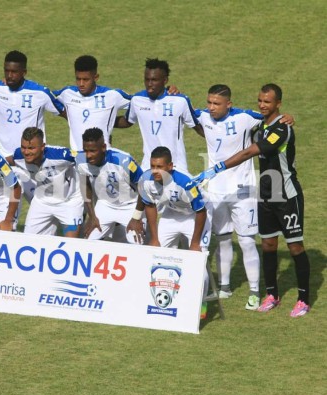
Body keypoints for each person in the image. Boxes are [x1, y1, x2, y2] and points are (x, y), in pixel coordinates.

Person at [194, 84, 310, 317]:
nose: (262, 105)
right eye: (260, 100)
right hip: (265, 194)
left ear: (278, 104)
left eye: (267, 102)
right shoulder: (259, 127)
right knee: (268, 244)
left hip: (286, 194)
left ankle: (303, 299)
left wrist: (218, 167)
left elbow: (251, 151)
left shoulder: (281, 129)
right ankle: (272, 295)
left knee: (295, 247)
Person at [195, 84, 263, 310]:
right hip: (216, 190)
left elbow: (270, 117)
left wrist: (286, 117)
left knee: (246, 241)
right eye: (209, 102)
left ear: (229, 104)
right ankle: (225, 286)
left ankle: (254, 291)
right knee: (223, 238)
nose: (211, 108)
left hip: (243, 190)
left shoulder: (246, 117)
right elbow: (184, 113)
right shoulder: (203, 116)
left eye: (216, 104)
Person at [127, 146, 211, 318]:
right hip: (172, 214)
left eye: (160, 167)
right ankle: (163, 297)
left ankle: (202, 302)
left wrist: (194, 243)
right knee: (157, 256)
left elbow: (201, 211)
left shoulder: (184, 182)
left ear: (170, 166)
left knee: (198, 260)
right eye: (152, 166)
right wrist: (154, 238)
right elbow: (149, 205)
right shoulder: (146, 180)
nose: (155, 171)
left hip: (195, 217)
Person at [115, 58, 203, 173]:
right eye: (147, 80)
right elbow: (127, 121)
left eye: (154, 80)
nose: (149, 84)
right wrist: (102, 121)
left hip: (176, 166)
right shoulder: (137, 100)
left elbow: (197, 127)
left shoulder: (180, 101)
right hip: (149, 166)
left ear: (165, 80)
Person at [0, 50, 65, 157]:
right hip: (5, 156)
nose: (9, 75)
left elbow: (66, 113)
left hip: (32, 157)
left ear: (24, 72)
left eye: (14, 72)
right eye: (6, 71)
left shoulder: (40, 93)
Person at [10, 127, 83, 238]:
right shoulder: (18, 156)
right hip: (42, 201)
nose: (26, 152)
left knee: (71, 244)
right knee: (29, 241)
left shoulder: (61, 155)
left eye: (31, 148)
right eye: (23, 147)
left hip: (70, 201)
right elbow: (3, 163)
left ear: (42, 147)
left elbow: (86, 157)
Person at [75, 127, 143, 242]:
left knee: (136, 242)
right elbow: (85, 185)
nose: (88, 155)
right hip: (105, 204)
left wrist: (136, 217)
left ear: (103, 148)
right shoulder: (80, 160)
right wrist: (92, 216)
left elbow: (143, 187)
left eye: (92, 151)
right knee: (88, 241)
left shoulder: (124, 161)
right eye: (86, 150)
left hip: (130, 205)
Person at [54, 55, 131, 150]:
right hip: (79, 159)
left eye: (86, 79)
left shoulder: (112, 95)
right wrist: (70, 116)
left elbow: (139, 102)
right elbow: (45, 98)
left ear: (96, 77)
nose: (81, 84)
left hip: (103, 159)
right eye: (78, 79)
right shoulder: (67, 93)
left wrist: (109, 121)